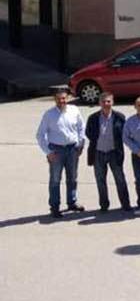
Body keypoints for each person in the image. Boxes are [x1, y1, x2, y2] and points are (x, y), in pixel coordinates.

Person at [36, 89, 86, 218]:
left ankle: (72, 202)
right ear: (55, 99)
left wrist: (81, 144)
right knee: (55, 180)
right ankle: (55, 207)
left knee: (72, 178)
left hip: (72, 149)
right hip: (56, 151)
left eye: (63, 98)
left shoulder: (74, 110)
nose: (61, 101)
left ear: (67, 98)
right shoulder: (49, 115)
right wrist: (48, 152)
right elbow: (40, 135)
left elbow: (81, 127)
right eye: (59, 99)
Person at [85, 92, 130, 212]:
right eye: (103, 101)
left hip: (114, 152)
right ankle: (104, 205)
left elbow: (124, 133)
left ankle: (125, 204)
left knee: (120, 179)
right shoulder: (93, 118)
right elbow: (88, 133)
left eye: (108, 101)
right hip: (98, 153)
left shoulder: (120, 117)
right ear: (99, 103)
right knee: (100, 181)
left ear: (113, 102)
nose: (106, 104)